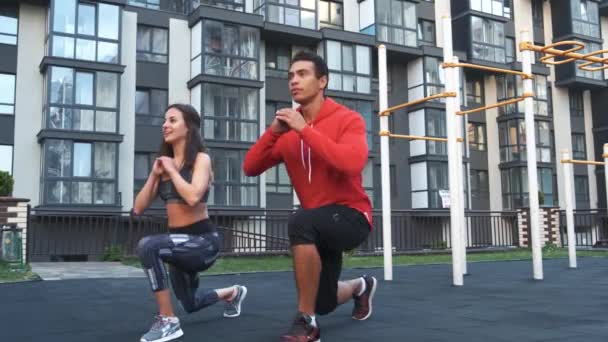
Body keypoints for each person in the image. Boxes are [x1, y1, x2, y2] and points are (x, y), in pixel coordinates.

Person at [243, 51, 377, 342]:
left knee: (299, 221)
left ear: (322, 81)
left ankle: (306, 323)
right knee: (324, 302)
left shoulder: (348, 119)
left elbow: (351, 163)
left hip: (352, 216)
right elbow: (250, 167)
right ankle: (360, 286)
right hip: (318, 224)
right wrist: (274, 131)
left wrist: (304, 129)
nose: (294, 80)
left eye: (302, 74)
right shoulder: (288, 133)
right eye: (291, 75)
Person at [132, 103, 247, 342]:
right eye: (164, 121)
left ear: (189, 127)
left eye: (172, 120)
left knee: (147, 246)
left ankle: (168, 320)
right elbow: (138, 207)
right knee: (191, 303)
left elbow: (194, 196)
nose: (165, 125)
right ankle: (233, 293)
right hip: (178, 246)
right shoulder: (162, 167)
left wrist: (173, 171)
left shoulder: (201, 160)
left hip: (203, 243)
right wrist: (155, 174)